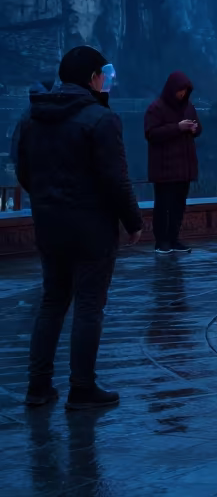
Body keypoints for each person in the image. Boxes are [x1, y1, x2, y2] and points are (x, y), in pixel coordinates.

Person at [16, 46, 144, 410]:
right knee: (89, 306)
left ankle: (37, 386)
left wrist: (48, 202)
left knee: (53, 301)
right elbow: (116, 180)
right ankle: (81, 387)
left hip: (49, 225)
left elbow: (24, 172)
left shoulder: (31, 116)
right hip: (92, 228)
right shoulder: (100, 120)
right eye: (103, 75)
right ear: (92, 79)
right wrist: (133, 222)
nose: (107, 81)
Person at [144, 72, 201, 254]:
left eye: (185, 91)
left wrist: (194, 129)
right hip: (164, 168)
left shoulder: (188, 107)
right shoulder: (156, 108)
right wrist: (178, 127)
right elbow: (151, 133)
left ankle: (174, 239)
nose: (182, 94)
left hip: (184, 167)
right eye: (180, 90)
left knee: (178, 206)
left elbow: (199, 127)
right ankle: (161, 241)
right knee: (163, 206)